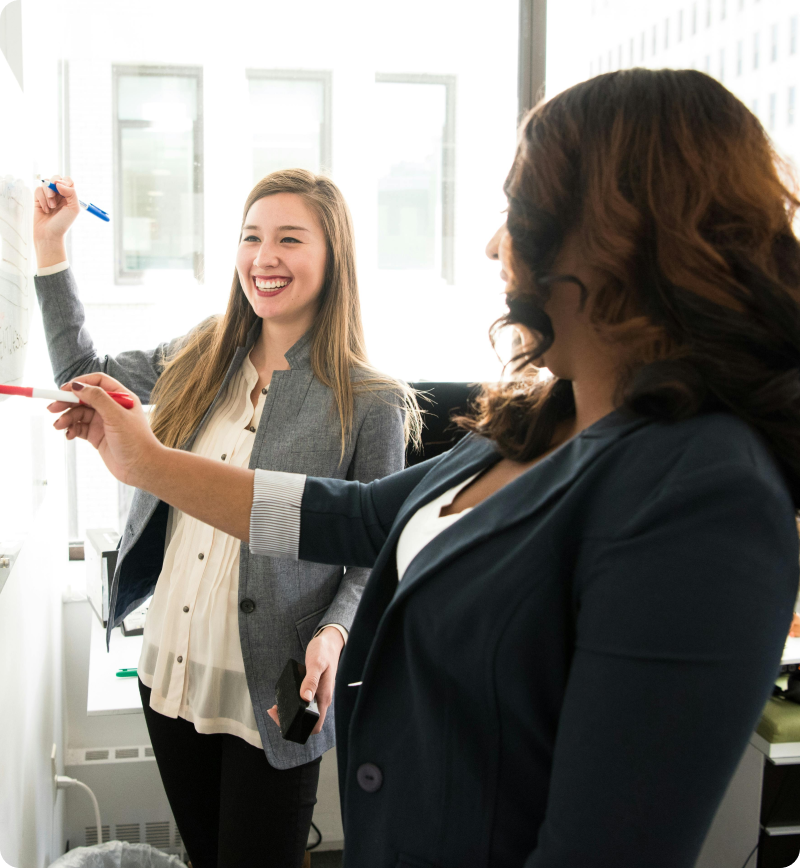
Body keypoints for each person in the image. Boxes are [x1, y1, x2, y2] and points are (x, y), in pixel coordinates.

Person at [50, 69, 800, 868]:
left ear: (618, 233)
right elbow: (356, 515)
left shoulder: (704, 492)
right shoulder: (533, 423)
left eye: (518, 211)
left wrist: (328, 629)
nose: (491, 244)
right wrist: (150, 463)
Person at [33, 169, 417, 868]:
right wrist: (50, 250)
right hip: (171, 670)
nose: (263, 258)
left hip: (278, 683)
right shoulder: (201, 354)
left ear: (334, 258)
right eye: (251, 237)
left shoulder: (371, 399)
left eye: (289, 239)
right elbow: (83, 373)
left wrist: (334, 633)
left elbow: (377, 549)